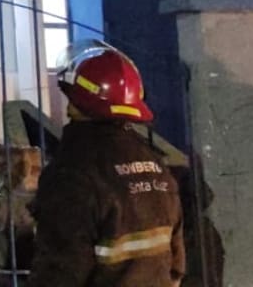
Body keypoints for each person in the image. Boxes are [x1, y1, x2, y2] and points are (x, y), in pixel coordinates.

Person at [29, 43, 185, 287]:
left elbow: (61, 272)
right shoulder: (155, 164)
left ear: (73, 102)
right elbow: (175, 267)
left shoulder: (72, 173)